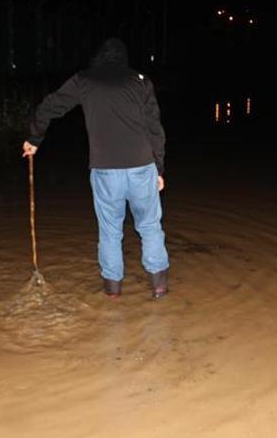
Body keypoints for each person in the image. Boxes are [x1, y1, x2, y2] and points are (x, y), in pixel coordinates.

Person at [22, 38, 169, 299]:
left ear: (99, 57)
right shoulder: (140, 80)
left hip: (105, 170)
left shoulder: (84, 80)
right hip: (142, 167)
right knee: (149, 226)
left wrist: (34, 139)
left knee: (110, 230)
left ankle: (112, 293)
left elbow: (50, 106)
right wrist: (159, 168)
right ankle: (159, 288)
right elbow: (155, 128)